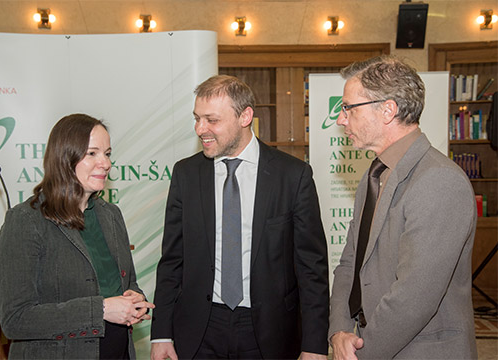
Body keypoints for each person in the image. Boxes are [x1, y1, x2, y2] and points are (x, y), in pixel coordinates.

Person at [150, 75, 329, 360]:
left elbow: (311, 268)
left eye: (212, 120)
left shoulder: (293, 176)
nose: (200, 129)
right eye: (197, 119)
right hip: (199, 329)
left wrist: (315, 345)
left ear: (245, 116)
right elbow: (172, 260)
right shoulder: (186, 174)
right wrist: (161, 334)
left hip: (270, 332)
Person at [329, 56, 478, 359]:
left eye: (348, 108)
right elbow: (349, 264)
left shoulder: (438, 180)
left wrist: (360, 352)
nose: (341, 119)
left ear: (388, 110)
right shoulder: (376, 174)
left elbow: (415, 298)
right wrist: (339, 331)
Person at [0, 114, 155, 359]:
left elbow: (127, 283)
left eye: (108, 153)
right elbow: (16, 319)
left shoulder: (111, 215)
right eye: (92, 153)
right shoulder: (26, 221)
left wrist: (135, 298)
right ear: (64, 158)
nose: (106, 163)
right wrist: (101, 309)